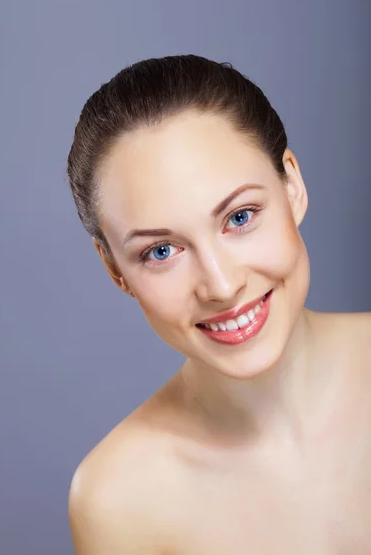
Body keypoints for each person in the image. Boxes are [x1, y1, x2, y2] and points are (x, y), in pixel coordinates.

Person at [66, 55, 371, 554]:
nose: (222, 285)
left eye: (241, 216)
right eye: (160, 251)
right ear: (115, 269)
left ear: (291, 186)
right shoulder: (117, 498)